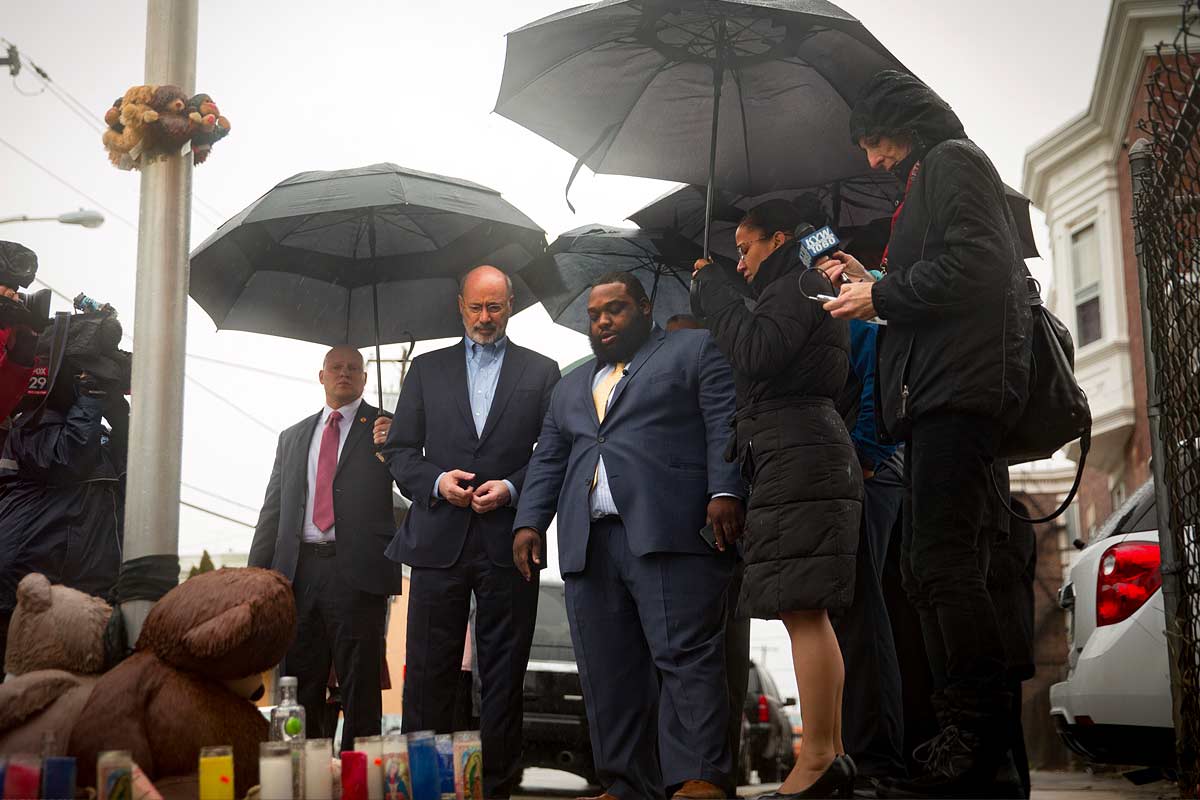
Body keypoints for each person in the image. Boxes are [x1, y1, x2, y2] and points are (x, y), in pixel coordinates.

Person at [824, 69, 1032, 796]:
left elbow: (980, 265)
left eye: (878, 142)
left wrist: (881, 291)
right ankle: (962, 740)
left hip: (962, 393)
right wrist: (873, 278)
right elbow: (937, 277)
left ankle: (980, 746)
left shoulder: (952, 161)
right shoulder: (933, 172)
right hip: (942, 391)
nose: (875, 159)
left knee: (943, 568)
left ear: (906, 122)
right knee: (925, 571)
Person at [513, 272, 744, 800]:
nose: (602, 321)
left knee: (685, 657)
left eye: (615, 309)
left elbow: (723, 422)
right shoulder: (570, 385)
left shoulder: (695, 349)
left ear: (644, 308)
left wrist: (725, 490)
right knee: (608, 671)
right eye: (595, 315)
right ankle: (625, 783)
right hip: (590, 545)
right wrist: (529, 522)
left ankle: (701, 777)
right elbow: (548, 459)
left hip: (671, 534)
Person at [692, 199, 862, 799]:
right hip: (802, 451)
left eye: (745, 247)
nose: (739, 261)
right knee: (809, 610)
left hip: (799, 456)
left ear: (779, 238)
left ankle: (816, 757)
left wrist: (714, 295)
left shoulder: (795, 282)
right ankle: (829, 754)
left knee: (804, 610)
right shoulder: (804, 283)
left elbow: (757, 351)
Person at [381, 265, 560, 799]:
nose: (486, 318)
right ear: (461, 305)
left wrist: (510, 487)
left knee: (504, 677)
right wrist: (436, 481)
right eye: (476, 308)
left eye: (496, 307)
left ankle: (498, 787)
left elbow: (553, 455)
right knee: (429, 675)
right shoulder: (426, 369)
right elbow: (400, 452)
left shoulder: (542, 370)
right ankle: (427, 786)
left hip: (511, 542)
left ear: (511, 305)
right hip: (438, 540)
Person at [249, 345, 404, 752]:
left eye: (354, 368)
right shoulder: (294, 436)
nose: (345, 374)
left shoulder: (385, 428)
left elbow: (411, 485)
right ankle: (306, 778)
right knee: (299, 688)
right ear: (321, 376)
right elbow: (273, 510)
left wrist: (397, 445)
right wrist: (254, 578)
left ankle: (358, 783)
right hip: (299, 575)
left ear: (365, 378)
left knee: (360, 691)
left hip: (357, 574)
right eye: (336, 368)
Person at [820, 253, 907, 788]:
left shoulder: (867, 324)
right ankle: (851, 751)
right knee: (845, 614)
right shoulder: (829, 325)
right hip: (845, 473)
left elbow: (879, 389)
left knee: (863, 614)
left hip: (870, 473)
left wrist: (866, 455)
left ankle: (875, 758)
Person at [0, 367, 128, 671]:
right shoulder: (32, 423)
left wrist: (119, 415)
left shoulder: (95, 432)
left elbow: (141, 462)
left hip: (84, 592)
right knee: (19, 696)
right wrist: (89, 400)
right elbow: (67, 458)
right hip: (22, 588)